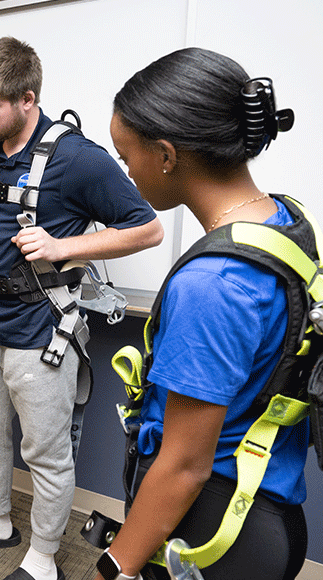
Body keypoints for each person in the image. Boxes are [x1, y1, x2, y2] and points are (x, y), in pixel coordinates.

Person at [0, 37, 164, 580]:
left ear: (26, 98)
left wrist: (66, 247)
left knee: (46, 454)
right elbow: (6, 205)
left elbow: (148, 228)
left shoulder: (79, 158)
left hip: (40, 334)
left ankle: (43, 557)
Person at [92, 48, 310, 580]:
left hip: (218, 525)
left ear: (166, 155)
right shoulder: (281, 221)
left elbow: (185, 467)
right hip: (270, 504)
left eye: (126, 157)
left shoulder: (210, 286)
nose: (126, 170)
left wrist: (112, 568)